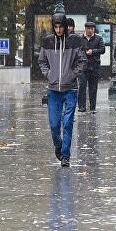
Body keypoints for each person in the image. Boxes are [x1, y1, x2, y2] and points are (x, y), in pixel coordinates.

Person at [38, 13, 86, 167]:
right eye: (56, 27)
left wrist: (73, 74)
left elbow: (82, 60)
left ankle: (65, 155)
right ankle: (58, 145)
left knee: (67, 123)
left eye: (61, 27)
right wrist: (48, 74)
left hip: (71, 88)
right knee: (54, 124)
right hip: (53, 89)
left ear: (65, 27)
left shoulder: (75, 41)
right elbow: (42, 61)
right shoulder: (47, 41)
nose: (58, 30)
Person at [78, 22, 105, 113]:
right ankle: (82, 106)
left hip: (94, 66)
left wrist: (93, 51)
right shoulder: (80, 38)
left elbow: (102, 49)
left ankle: (92, 107)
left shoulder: (98, 38)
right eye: (88, 28)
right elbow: (77, 50)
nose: (90, 30)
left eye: (92, 28)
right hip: (83, 66)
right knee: (82, 86)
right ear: (85, 29)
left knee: (93, 88)